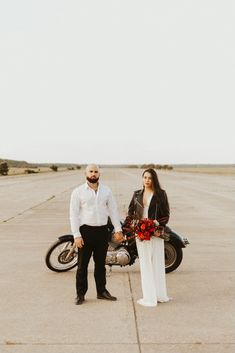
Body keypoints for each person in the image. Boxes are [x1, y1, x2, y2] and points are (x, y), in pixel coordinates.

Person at [70, 164, 124, 305]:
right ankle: (80, 294)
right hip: (85, 232)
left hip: (102, 231)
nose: (93, 174)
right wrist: (76, 235)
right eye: (91, 171)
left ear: (99, 174)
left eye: (96, 172)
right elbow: (73, 215)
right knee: (82, 265)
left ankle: (102, 291)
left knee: (100, 265)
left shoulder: (106, 191)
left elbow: (113, 210)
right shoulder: (78, 192)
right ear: (85, 173)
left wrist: (118, 229)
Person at [125, 168, 171, 307]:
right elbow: (130, 213)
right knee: (145, 265)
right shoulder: (137, 194)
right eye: (145, 177)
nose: (147, 180)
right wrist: (132, 227)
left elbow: (166, 215)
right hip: (141, 234)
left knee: (157, 263)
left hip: (155, 234)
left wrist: (154, 224)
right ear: (142, 178)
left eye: (150, 178)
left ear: (154, 179)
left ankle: (159, 295)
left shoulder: (161, 194)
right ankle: (149, 297)